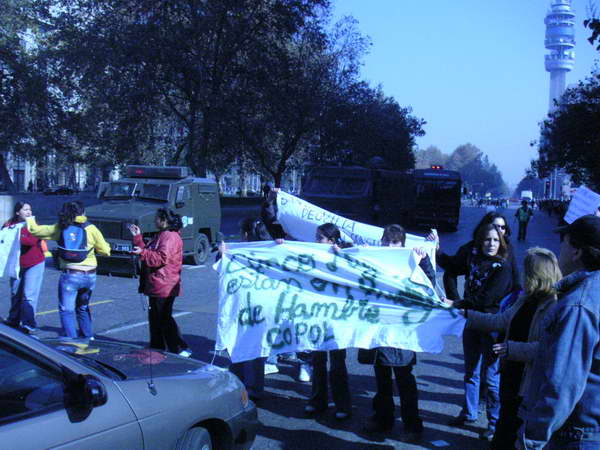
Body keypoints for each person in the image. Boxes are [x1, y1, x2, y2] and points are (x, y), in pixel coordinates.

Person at [463, 247, 561, 449]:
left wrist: (511, 348)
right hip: (510, 373)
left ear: (537, 274)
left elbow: (547, 348)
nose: (523, 275)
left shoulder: (553, 305)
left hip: (528, 380)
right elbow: (500, 321)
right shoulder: (525, 298)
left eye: (527, 271)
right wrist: (465, 315)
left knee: (513, 428)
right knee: (505, 423)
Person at [517, 215, 600, 449]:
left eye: (564, 241)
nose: (559, 248)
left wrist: (531, 439)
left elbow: (562, 383)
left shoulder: (579, 305)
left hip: (577, 434)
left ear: (577, 252)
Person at [361, 224, 432, 437]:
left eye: (394, 243)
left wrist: (424, 262)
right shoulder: (375, 258)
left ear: (402, 244)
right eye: (386, 242)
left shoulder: (413, 261)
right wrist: (359, 254)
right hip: (378, 332)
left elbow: (428, 286)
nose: (389, 246)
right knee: (382, 381)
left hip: (401, 334)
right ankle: (383, 419)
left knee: (404, 381)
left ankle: (412, 425)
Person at [445, 223, 513, 440]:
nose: (491, 244)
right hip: (471, 323)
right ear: (479, 241)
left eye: (495, 240)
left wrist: (457, 304)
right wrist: (433, 251)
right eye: (487, 240)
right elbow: (450, 268)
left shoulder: (503, 266)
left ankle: (494, 423)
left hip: (492, 326)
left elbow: (487, 299)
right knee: (471, 372)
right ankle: (469, 412)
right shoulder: (473, 260)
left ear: (500, 242)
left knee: (491, 378)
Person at [27, 201, 110, 340]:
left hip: (70, 274)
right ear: (82, 212)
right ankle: (88, 337)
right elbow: (106, 251)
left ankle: (71, 341)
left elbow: (35, 231)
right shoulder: (91, 228)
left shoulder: (60, 227)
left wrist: (29, 219)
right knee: (83, 307)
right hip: (89, 275)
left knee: (67, 310)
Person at [220, 217, 277, 400]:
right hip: (260, 308)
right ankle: (245, 384)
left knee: (243, 343)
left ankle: (248, 386)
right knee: (251, 346)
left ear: (245, 234)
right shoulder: (270, 251)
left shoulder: (244, 251)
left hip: (247, 307)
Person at [304, 223, 352, 420]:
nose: (316, 242)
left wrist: (342, 255)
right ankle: (318, 400)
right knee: (317, 360)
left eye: (320, 238)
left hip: (338, 319)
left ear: (331, 241)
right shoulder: (314, 255)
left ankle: (343, 405)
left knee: (338, 363)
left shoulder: (344, 256)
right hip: (318, 317)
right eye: (316, 237)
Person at [129, 208, 190, 357]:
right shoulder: (163, 235)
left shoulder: (169, 237)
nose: (154, 221)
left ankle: (177, 349)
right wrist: (138, 237)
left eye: (157, 218)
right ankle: (159, 347)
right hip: (159, 283)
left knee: (163, 318)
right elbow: (149, 252)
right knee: (157, 318)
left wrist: (142, 253)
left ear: (164, 220)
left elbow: (161, 258)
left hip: (164, 284)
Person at [430, 212, 521, 302]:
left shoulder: (508, 249)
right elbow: (451, 267)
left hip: (496, 307)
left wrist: (518, 295)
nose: (500, 230)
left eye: (503, 227)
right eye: (496, 226)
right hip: (472, 305)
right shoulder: (471, 249)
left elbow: (515, 273)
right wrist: (436, 248)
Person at [3, 202, 45, 334]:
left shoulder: (32, 225)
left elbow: (29, 241)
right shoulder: (8, 225)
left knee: (29, 295)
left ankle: (29, 324)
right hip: (16, 264)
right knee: (15, 293)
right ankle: (13, 320)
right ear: (17, 212)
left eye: (30, 210)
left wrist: (19, 231)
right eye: (25, 210)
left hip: (34, 263)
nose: (29, 212)